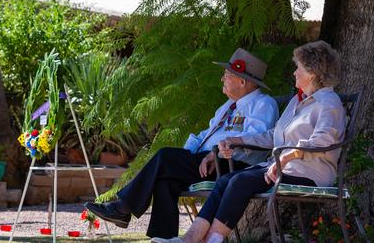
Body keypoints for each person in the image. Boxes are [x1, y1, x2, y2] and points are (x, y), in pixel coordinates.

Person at [157, 41, 345, 243]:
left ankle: (213, 240)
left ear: (312, 72)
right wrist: (236, 139)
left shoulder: (328, 102)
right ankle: (188, 240)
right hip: (282, 167)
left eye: (298, 67)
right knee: (224, 181)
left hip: (309, 172)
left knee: (240, 181)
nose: (294, 73)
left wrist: (289, 155)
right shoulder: (296, 102)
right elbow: (273, 135)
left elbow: (322, 140)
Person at [85, 48, 279, 239]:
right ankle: (163, 238)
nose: (222, 79)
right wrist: (187, 156)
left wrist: (214, 155)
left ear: (243, 81)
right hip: (205, 162)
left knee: (165, 156)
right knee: (166, 179)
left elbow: (252, 141)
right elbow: (204, 134)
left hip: (231, 165)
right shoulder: (227, 106)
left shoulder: (264, 104)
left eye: (227, 75)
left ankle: (123, 207)